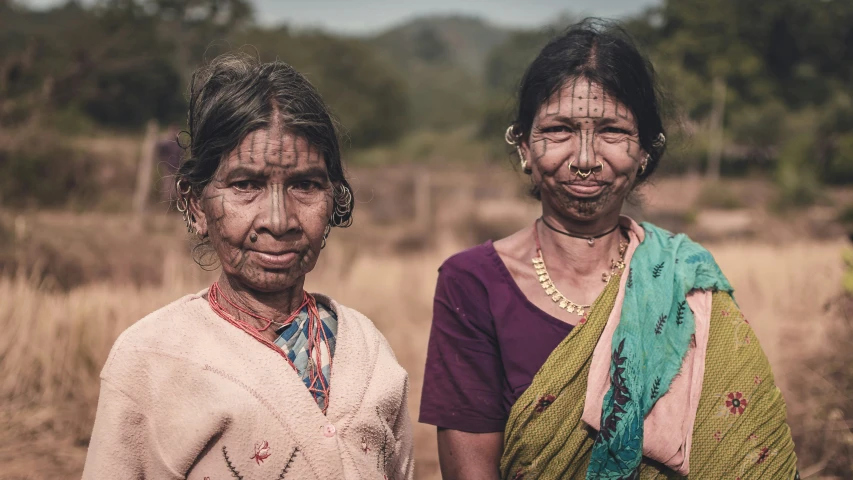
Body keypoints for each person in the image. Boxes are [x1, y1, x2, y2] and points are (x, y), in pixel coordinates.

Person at [419, 21, 798, 480]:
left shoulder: (683, 276)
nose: (584, 160)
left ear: (645, 151)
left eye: (612, 131)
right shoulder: (473, 282)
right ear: (524, 146)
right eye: (559, 130)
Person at [82, 54, 414, 480]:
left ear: (333, 199)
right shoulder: (150, 359)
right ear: (196, 205)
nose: (278, 220)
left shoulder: (369, 353)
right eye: (245, 185)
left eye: (305, 185)